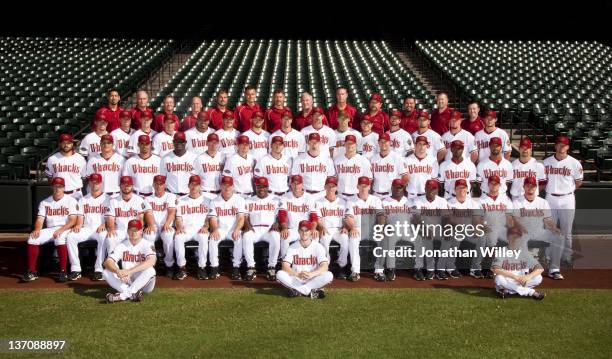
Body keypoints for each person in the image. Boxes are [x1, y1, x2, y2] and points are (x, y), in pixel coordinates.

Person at [22, 177, 78, 283]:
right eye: (55, 186)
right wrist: (37, 229)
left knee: (60, 238)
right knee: (32, 238)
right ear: (52, 187)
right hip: (50, 229)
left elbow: (73, 220)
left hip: (65, 228)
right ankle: (32, 271)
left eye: (60, 187)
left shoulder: (71, 200)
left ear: (64, 188)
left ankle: (63, 271)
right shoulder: (45, 202)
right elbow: (40, 219)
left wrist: (61, 230)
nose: (57, 189)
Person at [512, 177, 564, 280]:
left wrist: (554, 228)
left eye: (533, 186)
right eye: (528, 185)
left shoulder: (543, 202)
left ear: (536, 188)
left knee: (559, 237)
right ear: (524, 187)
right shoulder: (517, 202)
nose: (530, 188)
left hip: (539, 232)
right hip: (523, 233)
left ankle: (554, 270)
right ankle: (524, 268)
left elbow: (547, 220)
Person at [543, 135, 583, 265]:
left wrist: (567, 191)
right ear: (555, 146)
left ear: (568, 147)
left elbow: (578, 182)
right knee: (549, 229)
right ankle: (548, 256)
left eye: (564, 145)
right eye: (559, 144)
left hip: (567, 198)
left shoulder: (574, 163)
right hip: (550, 198)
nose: (561, 147)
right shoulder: (546, 162)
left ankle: (566, 257)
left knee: (566, 230)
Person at [66, 174, 108, 281]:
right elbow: (80, 218)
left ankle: (99, 269)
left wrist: (105, 224)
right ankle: (76, 269)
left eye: (97, 182)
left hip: (100, 228)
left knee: (103, 236)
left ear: (101, 183)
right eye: (92, 182)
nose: (95, 184)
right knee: (71, 236)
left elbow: (111, 217)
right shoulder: (83, 199)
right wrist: (78, 225)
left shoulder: (107, 199)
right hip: (87, 228)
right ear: (89, 183)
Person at [103, 219, 157, 303]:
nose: (133, 232)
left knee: (150, 270)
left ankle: (122, 296)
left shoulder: (147, 244)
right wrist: (117, 271)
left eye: (136, 230)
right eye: (131, 230)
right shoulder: (122, 245)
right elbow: (107, 262)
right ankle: (132, 294)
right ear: (127, 231)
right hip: (127, 280)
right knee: (106, 272)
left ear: (141, 230)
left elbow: (151, 261)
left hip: (144, 282)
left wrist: (129, 271)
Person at [276, 220, 333, 299]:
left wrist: (311, 274)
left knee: (329, 275)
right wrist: (297, 274)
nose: (304, 233)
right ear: (298, 231)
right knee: (279, 274)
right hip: (296, 279)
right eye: (302, 230)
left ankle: (298, 291)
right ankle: (310, 292)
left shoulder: (318, 246)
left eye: (306, 230)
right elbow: (285, 266)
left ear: (310, 232)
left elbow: (325, 266)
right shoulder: (292, 247)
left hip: (312, 279)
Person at [473, 175, 514, 278]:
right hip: (487, 227)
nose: (494, 186)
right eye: (492, 183)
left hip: (501, 228)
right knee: (486, 241)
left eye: (496, 184)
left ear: (500, 185)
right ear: (488, 184)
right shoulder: (482, 200)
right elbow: (477, 219)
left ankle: (515, 268)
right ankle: (477, 268)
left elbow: (510, 218)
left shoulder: (506, 200)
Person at [344, 177, 384, 282]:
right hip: (357, 228)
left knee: (382, 239)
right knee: (353, 240)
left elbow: (381, 216)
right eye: (361, 186)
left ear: (369, 187)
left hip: (373, 229)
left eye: (365, 186)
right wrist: (352, 227)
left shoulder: (376, 200)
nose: (363, 188)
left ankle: (379, 271)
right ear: (357, 186)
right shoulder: (351, 200)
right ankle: (355, 271)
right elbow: (348, 217)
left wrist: (381, 227)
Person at [242, 177, 282, 281]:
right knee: (246, 236)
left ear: (268, 187)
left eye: (264, 186)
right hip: (254, 229)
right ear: (255, 187)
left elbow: (280, 215)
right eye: (259, 186)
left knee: (276, 237)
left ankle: (271, 267)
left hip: (269, 229)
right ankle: (251, 267)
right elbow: (245, 216)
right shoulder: (249, 200)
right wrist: (247, 225)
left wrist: (277, 223)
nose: (261, 189)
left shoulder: (275, 200)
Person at [208, 176, 247, 280]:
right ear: (220, 186)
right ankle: (214, 267)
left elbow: (241, 218)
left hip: (233, 229)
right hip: (220, 229)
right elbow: (213, 218)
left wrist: (237, 229)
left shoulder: (239, 200)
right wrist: (215, 229)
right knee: (212, 239)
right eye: (224, 185)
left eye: (229, 185)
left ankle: (236, 268)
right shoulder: (214, 201)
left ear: (233, 186)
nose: (227, 188)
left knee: (238, 238)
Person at [492, 226, 546, 300]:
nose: (515, 239)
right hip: (507, 279)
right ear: (508, 238)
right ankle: (531, 292)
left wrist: (528, 277)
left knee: (538, 278)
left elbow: (540, 268)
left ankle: (507, 290)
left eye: (517, 237)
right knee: (499, 278)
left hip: (521, 280)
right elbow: (496, 269)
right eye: (513, 236)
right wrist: (515, 277)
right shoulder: (502, 251)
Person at [412, 179, 450, 280]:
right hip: (422, 228)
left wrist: (446, 230)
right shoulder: (417, 200)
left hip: (437, 229)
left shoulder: (442, 201)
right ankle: (422, 269)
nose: (432, 191)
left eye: (434, 189)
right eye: (429, 188)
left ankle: (440, 269)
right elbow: (416, 219)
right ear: (425, 189)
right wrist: (425, 230)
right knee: (421, 239)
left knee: (448, 239)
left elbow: (446, 218)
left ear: (437, 190)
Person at [173, 175, 209, 280]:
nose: (194, 187)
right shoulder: (181, 200)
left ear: (200, 186)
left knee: (203, 237)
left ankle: (202, 267)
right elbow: (178, 218)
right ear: (188, 185)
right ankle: (181, 267)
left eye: (196, 185)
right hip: (186, 229)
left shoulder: (207, 200)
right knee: (178, 237)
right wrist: (179, 227)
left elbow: (209, 217)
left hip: (200, 229)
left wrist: (206, 226)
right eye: (192, 185)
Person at [313, 177, 350, 279]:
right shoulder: (319, 202)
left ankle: (341, 266)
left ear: (336, 187)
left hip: (339, 229)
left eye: (333, 186)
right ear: (325, 187)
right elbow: (318, 219)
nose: (330, 188)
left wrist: (345, 227)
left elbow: (346, 218)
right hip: (326, 229)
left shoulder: (342, 202)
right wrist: (321, 227)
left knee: (345, 240)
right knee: (324, 240)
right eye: (328, 186)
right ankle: (326, 266)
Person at [376, 179, 412, 282]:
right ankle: (391, 269)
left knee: (419, 240)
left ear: (403, 188)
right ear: (391, 188)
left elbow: (414, 218)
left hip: (407, 230)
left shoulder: (409, 201)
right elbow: (381, 217)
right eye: (395, 187)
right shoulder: (384, 201)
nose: (397, 189)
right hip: (393, 230)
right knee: (389, 240)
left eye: (400, 187)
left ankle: (418, 268)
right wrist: (384, 227)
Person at [142, 175, 176, 277]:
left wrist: (167, 223)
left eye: (161, 184)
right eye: (156, 184)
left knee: (168, 235)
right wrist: (151, 225)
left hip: (167, 226)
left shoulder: (170, 196)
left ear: (164, 185)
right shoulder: (147, 199)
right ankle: (150, 264)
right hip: (154, 226)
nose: (159, 186)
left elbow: (171, 212)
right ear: (153, 185)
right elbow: (148, 213)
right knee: (148, 236)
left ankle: (169, 264)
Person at [291, 133, 336, 202]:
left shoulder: (327, 160)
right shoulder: (299, 159)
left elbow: (331, 180)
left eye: (316, 142)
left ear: (320, 143)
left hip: (322, 194)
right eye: (311, 142)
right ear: (308, 143)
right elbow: (294, 179)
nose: (314, 144)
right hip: (304, 194)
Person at [45, 133, 86, 199]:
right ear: (60, 144)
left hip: (76, 194)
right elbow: (49, 178)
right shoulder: (52, 159)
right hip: (59, 194)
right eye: (63, 143)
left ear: (72, 144)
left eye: (68, 143)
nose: (66, 145)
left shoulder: (80, 159)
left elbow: (84, 178)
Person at [370, 133, 409, 199]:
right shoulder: (373, 158)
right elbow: (372, 177)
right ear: (378, 143)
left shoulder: (397, 157)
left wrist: (398, 191)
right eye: (381, 141)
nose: (383, 143)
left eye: (385, 141)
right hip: (376, 195)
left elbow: (406, 177)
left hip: (391, 195)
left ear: (390, 142)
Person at [334, 135, 372, 201]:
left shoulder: (364, 160)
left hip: (356, 196)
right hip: (340, 196)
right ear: (344, 144)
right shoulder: (337, 160)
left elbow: (369, 180)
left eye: (352, 143)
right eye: (347, 143)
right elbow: (334, 179)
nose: (349, 145)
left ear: (356, 144)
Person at [159, 132, 197, 197]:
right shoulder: (165, 158)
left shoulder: (193, 158)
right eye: (177, 141)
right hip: (171, 195)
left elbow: (197, 179)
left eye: (181, 141)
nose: (179, 144)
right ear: (173, 142)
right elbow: (162, 179)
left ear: (185, 142)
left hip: (188, 195)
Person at [192, 133, 224, 200]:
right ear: (206, 143)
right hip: (205, 193)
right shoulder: (199, 158)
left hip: (220, 194)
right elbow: (193, 177)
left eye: (215, 142)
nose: (213, 145)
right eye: (211, 142)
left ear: (218, 144)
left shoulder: (223, 157)